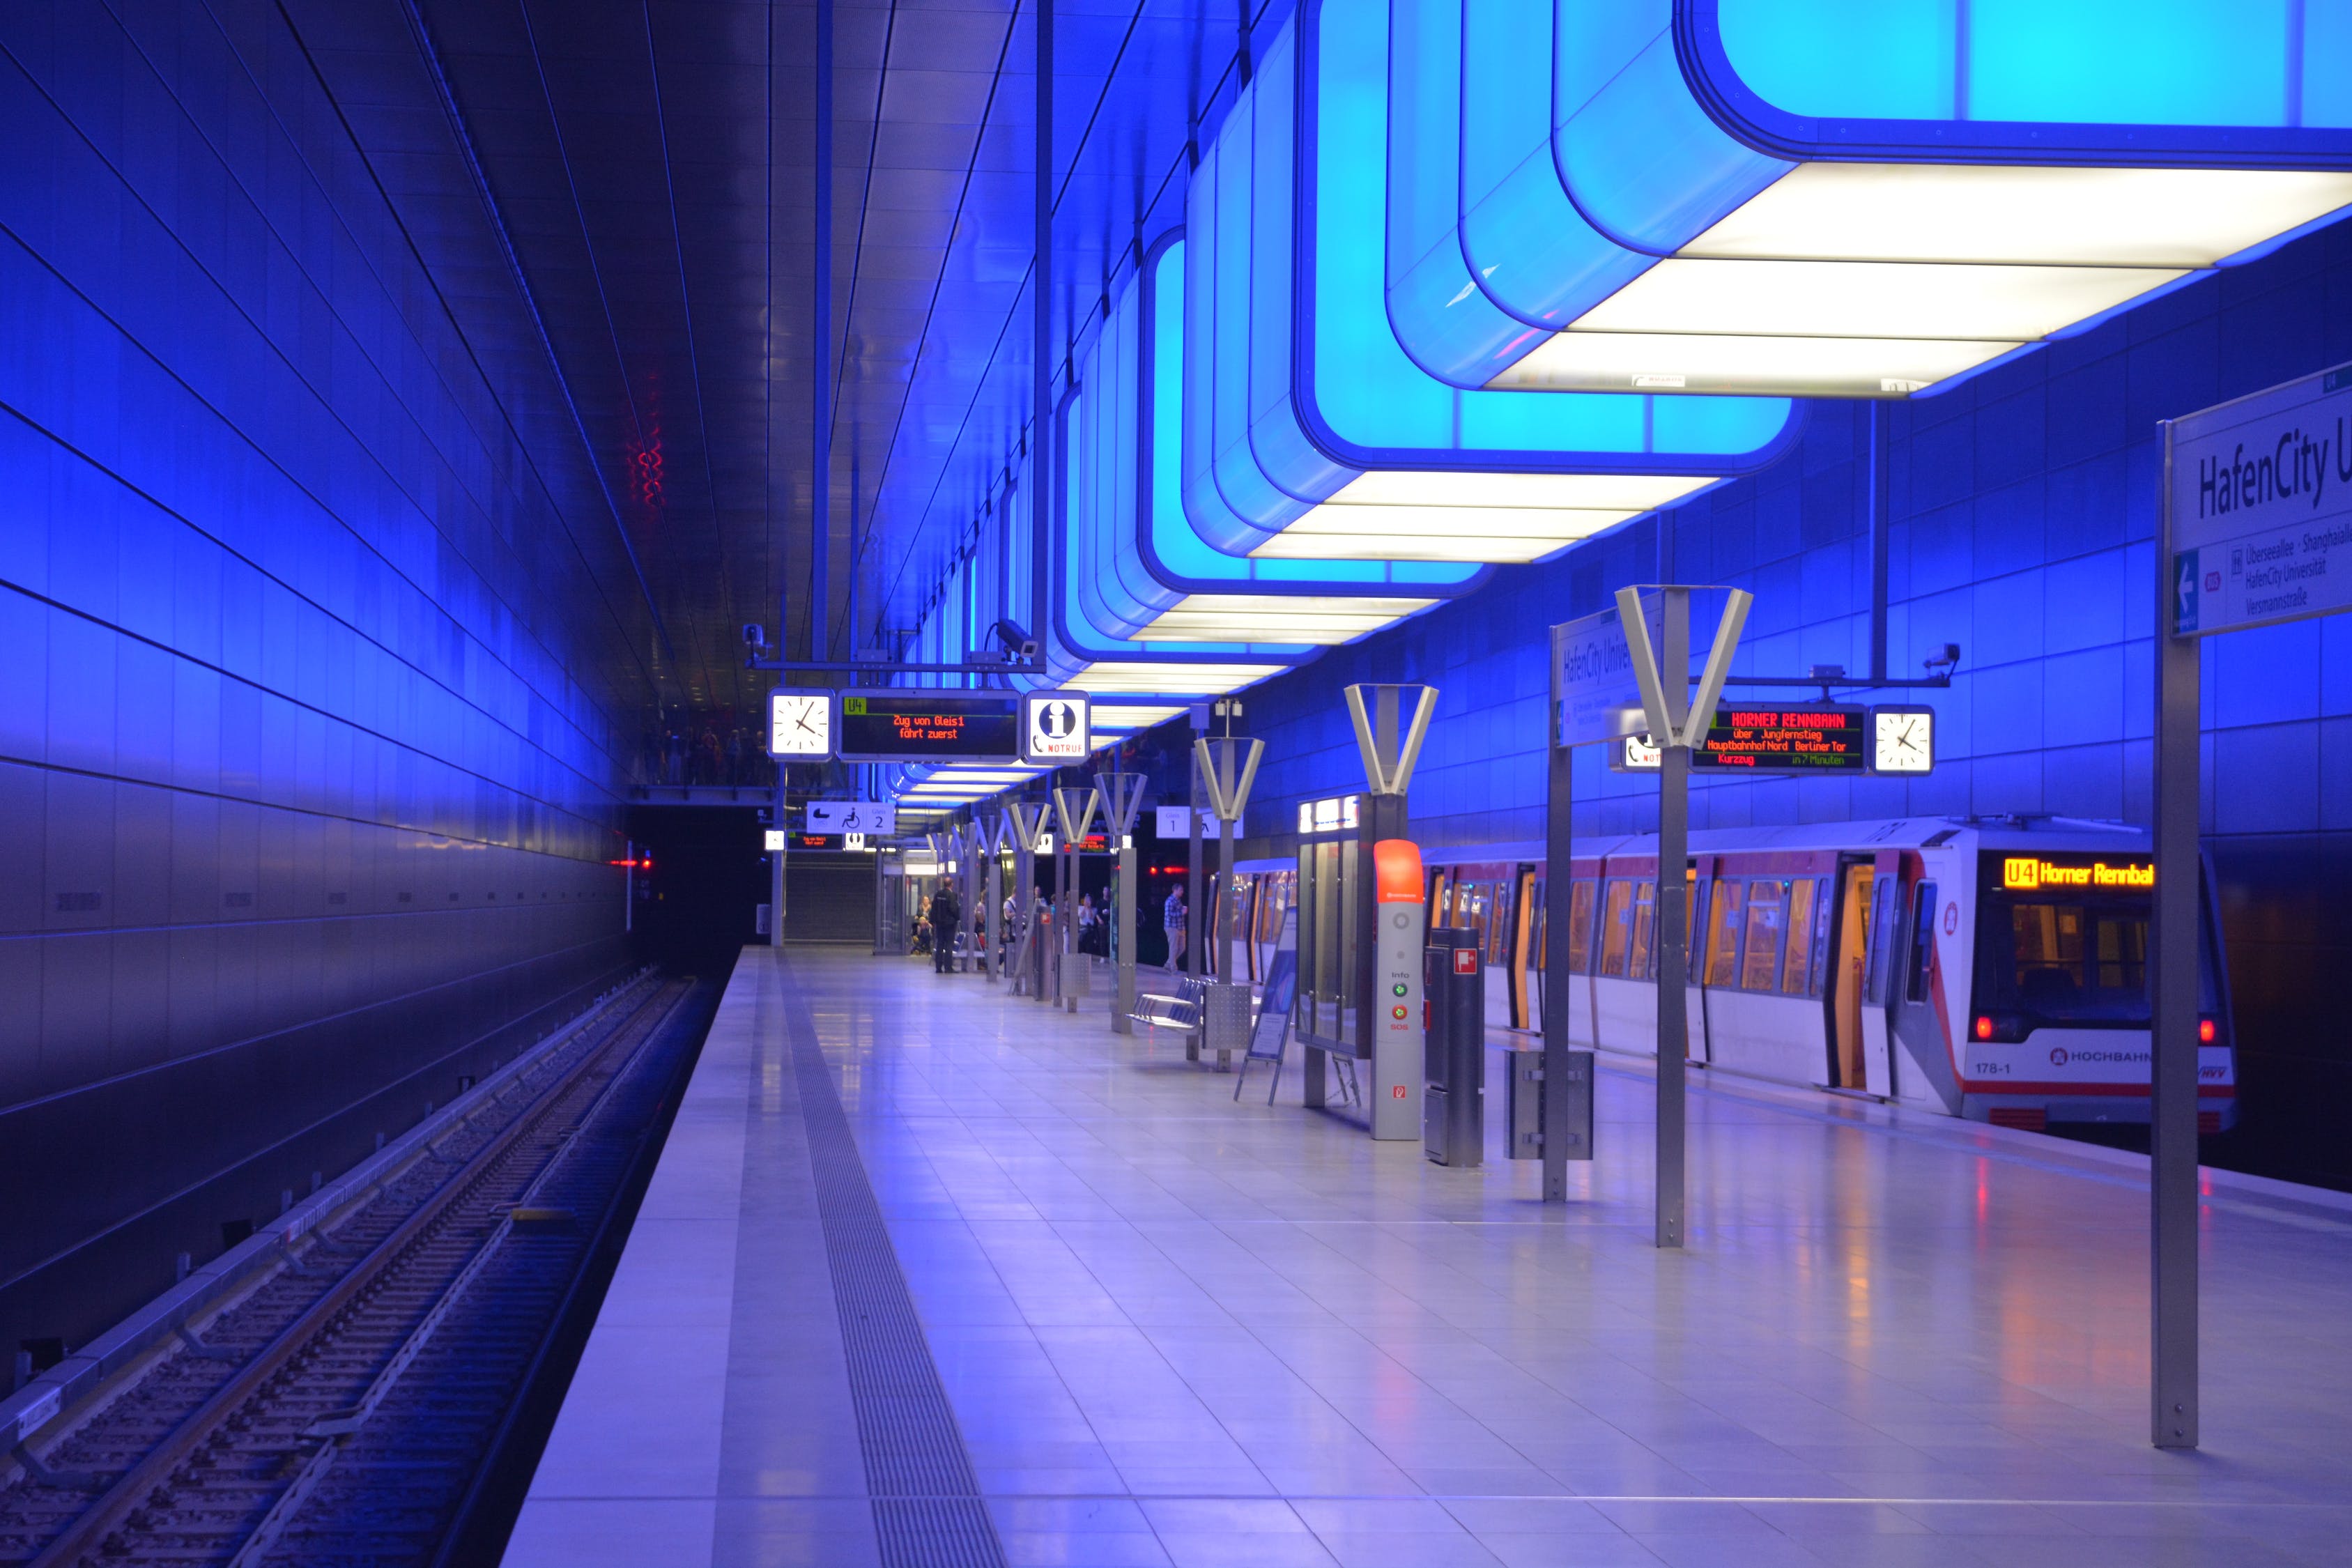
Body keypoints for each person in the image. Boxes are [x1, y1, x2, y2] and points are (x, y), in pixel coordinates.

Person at [928, 883, 960, 974]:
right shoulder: (952, 895)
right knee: (949, 945)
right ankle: (948, 967)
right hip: (949, 924)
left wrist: (933, 921)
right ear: (952, 885)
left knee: (940, 945)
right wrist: (957, 918)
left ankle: (938, 967)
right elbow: (954, 909)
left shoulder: (938, 894)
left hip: (940, 924)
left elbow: (934, 908)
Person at [1164, 882, 1187, 971]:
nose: (1182, 892)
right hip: (1172, 927)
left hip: (1180, 928)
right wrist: (1182, 912)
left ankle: (1169, 963)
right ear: (1175, 890)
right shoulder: (1170, 901)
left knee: (1182, 948)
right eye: (1180, 890)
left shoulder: (1178, 901)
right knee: (1173, 947)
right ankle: (1173, 968)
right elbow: (1169, 914)